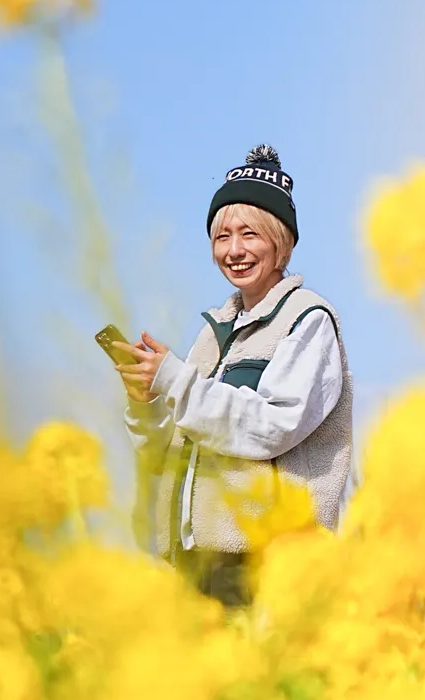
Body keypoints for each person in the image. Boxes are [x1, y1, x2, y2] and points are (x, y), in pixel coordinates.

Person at [118, 145, 353, 609]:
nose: (234, 250)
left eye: (250, 234)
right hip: (193, 562)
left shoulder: (307, 320)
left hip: (266, 566)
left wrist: (176, 381)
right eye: (222, 236)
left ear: (280, 241)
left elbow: (272, 427)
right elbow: (169, 450)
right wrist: (146, 401)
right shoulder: (212, 334)